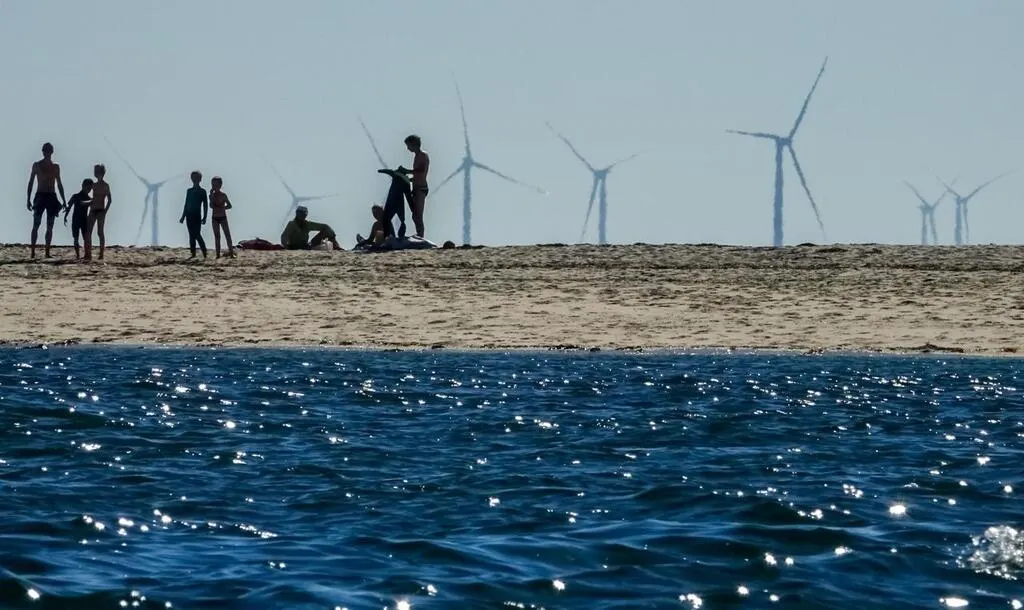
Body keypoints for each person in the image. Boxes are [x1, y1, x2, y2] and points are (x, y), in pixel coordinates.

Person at [26, 142, 67, 259]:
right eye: (45, 151)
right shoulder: (37, 165)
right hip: (40, 196)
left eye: (48, 151)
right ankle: (33, 251)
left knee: (50, 225)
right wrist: (28, 199)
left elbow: (59, 184)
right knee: (36, 224)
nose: (47, 153)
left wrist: (63, 200)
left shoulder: (55, 167)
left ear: (51, 152)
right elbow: (31, 182)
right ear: (43, 151)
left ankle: (47, 251)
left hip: (51, 196)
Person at [400, 135, 429, 238]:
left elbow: (421, 171)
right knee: (415, 215)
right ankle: (419, 234)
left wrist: (407, 171)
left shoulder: (423, 155)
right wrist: (407, 178)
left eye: (409, 146)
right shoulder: (416, 156)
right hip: (416, 188)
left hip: (421, 188)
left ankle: (421, 236)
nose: (408, 148)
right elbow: (417, 175)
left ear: (414, 144)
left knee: (418, 215)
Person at [84, 164, 111, 261]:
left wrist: (105, 211)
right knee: (88, 232)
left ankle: (101, 254)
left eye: (98, 172)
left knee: (100, 232)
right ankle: (88, 254)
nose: (97, 173)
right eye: (96, 172)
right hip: (92, 209)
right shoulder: (94, 185)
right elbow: (91, 197)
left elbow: (110, 200)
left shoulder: (105, 186)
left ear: (102, 173)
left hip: (100, 210)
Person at [179, 171, 208, 259]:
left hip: (197, 215)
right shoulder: (189, 191)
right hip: (189, 215)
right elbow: (186, 204)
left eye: (196, 178)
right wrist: (183, 216)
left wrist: (205, 217)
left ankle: (204, 251)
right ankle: (193, 252)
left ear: (200, 179)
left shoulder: (202, 191)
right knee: (191, 235)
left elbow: (205, 205)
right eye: (193, 178)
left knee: (197, 234)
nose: (194, 180)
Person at [63, 179, 94, 259]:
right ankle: (77, 255)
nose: (89, 190)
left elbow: (92, 209)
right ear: (83, 186)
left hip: (84, 220)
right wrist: (65, 216)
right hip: (76, 220)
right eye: (88, 188)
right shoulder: (76, 196)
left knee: (85, 238)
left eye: (90, 189)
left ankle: (85, 254)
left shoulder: (89, 198)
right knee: (76, 238)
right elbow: (69, 206)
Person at [378, 168, 412, 239]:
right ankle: (400, 237)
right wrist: (413, 209)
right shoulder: (406, 182)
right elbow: (408, 197)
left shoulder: (396, 175)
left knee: (386, 219)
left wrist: (380, 170)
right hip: (400, 202)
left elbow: (389, 171)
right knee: (402, 221)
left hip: (392, 201)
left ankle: (387, 238)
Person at [209, 176, 235, 258]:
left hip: (223, 217)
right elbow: (211, 206)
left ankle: (231, 253)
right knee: (217, 236)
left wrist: (222, 208)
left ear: (220, 185)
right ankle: (217, 254)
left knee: (227, 235)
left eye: (216, 185)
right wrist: (211, 196)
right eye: (213, 185)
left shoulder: (223, 195)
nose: (214, 187)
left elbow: (230, 205)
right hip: (215, 218)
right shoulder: (211, 195)